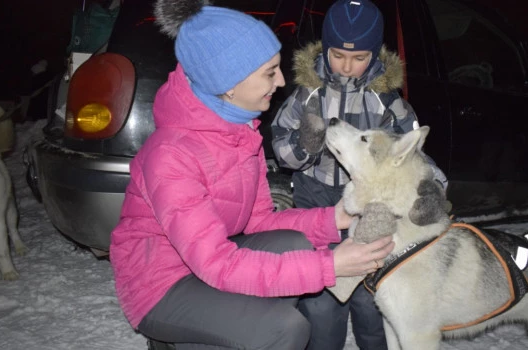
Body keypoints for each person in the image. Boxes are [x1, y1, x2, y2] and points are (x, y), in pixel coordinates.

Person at [109, 0, 395, 349]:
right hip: (161, 285)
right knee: (284, 328)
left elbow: (259, 222)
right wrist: (330, 265)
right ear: (229, 83)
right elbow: (216, 263)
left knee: (297, 244)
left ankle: (219, 332)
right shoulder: (171, 155)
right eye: (269, 71)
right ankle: (186, 337)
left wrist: (336, 218)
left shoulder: (240, 131)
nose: (281, 80)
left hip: (207, 261)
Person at [271, 0, 448, 349]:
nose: (348, 66)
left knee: (372, 300)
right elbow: (282, 151)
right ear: (325, 48)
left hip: (371, 210)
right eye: (338, 55)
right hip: (315, 201)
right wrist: (305, 146)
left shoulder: (387, 101)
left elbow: (413, 154)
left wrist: (433, 188)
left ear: (375, 54)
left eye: (359, 58)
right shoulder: (308, 94)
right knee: (321, 303)